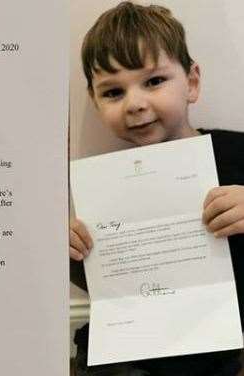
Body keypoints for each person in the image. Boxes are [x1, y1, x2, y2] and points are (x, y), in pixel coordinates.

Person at [70, 2, 244, 375]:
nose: (134, 104)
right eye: (113, 92)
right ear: (95, 102)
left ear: (192, 82)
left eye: (153, 81)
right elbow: (106, 287)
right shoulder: (97, 189)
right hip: (132, 354)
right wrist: (71, 251)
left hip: (225, 353)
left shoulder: (237, 155)